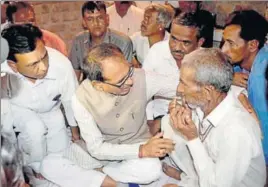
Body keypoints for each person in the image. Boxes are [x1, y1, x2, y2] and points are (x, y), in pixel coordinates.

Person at [40, 43, 176, 186]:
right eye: (120, 82)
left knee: (152, 170)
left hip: (137, 144)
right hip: (102, 153)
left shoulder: (142, 78)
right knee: (48, 165)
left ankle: (101, 174)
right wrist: (141, 151)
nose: (130, 81)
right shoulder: (81, 98)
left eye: (129, 72)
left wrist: (175, 106)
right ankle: (112, 183)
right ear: (98, 85)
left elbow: (180, 87)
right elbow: (96, 148)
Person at [162, 48, 266, 187]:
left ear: (207, 91)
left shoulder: (236, 129)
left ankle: (188, 179)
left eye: (184, 83)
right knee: (168, 123)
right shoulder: (210, 99)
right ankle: (189, 178)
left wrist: (192, 138)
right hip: (210, 173)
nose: (179, 89)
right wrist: (181, 110)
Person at [1, 24, 79, 184]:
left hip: (51, 109)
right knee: (34, 130)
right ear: (13, 66)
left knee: (62, 154)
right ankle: (34, 169)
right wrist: (11, 157)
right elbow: (5, 116)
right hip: (17, 109)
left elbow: (71, 100)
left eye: (44, 57)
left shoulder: (60, 63)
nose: (43, 67)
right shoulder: (3, 71)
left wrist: (76, 134)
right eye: (33, 65)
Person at [221, 10, 268, 170]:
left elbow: (263, 129)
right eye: (224, 42)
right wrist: (229, 76)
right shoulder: (240, 65)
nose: (224, 50)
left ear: (253, 45)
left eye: (231, 44)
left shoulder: (261, 77)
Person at [69, 1, 133, 80]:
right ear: (84, 23)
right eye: (90, 19)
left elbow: (125, 78)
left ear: (107, 19)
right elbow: (74, 76)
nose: (96, 23)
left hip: (115, 87)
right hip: (88, 87)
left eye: (100, 18)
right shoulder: (78, 41)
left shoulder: (123, 42)